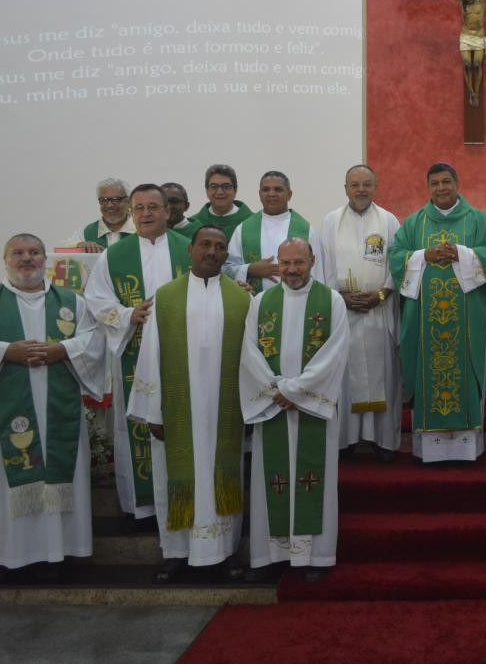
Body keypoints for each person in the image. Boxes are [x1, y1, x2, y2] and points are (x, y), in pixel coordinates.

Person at [0, 234, 106, 586]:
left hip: (57, 414)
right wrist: (6, 352)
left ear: (45, 259)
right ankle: (2, 558)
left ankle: (54, 556)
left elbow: (94, 340)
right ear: (5, 259)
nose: (27, 259)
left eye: (34, 252)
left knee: (55, 477)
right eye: (18, 253)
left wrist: (62, 349)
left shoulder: (70, 302)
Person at [128, 224, 251, 582]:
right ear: (191, 249)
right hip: (177, 411)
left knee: (224, 474)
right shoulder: (165, 297)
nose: (212, 251)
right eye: (205, 245)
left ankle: (226, 551)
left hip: (223, 409)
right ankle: (175, 552)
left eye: (220, 246)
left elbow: (250, 359)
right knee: (173, 480)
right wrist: (152, 411)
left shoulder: (242, 299)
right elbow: (150, 354)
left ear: (227, 255)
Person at [239, 238, 349, 582]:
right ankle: (270, 555)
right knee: (269, 480)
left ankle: (316, 556)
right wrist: (277, 391)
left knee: (314, 478)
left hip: (311, 406)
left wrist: (294, 390)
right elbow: (250, 353)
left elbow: (334, 354)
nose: (291, 270)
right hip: (273, 405)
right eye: (285, 264)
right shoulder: (260, 302)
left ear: (312, 261)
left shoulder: (331, 301)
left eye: (298, 263)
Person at [84, 184, 191, 528]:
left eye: (153, 207)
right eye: (139, 208)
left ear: (166, 211)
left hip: (183, 353)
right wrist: (129, 315)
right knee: (138, 426)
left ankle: (186, 497)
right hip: (134, 348)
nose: (146, 214)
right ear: (132, 213)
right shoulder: (113, 255)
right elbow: (96, 301)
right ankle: (142, 507)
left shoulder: (188, 248)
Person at [387, 163, 486, 462]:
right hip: (423, 320)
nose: (441, 188)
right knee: (427, 371)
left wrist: (463, 254)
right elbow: (396, 256)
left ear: (457, 183)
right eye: (435, 183)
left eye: (446, 182)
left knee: (464, 371)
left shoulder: (478, 220)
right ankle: (431, 451)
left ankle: (466, 449)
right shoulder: (414, 223)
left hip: (468, 319)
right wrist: (423, 255)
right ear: (428, 187)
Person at [313, 165, 402, 462]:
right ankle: (346, 440)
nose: (361, 189)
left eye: (367, 184)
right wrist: (338, 297)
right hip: (343, 312)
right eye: (355, 184)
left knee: (384, 373)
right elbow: (320, 265)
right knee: (345, 375)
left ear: (376, 187)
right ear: (346, 188)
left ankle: (383, 440)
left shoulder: (389, 221)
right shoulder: (330, 222)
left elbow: (398, 264)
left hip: (380, 310)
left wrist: (382, 293)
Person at [225, 170, 313, 294]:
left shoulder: (306, 230)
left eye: (278, 189)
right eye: (266, 189)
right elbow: (226, 269)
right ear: (260, 194)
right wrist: (250, 269)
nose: (271, 194)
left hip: (298, 300)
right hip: (254, 302)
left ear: (289, 194)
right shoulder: (243, 229)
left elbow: (316, 272)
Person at [66, 178, 134, 253]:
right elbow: (63, 248)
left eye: (116, 199)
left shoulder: (140, 230)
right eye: (104, 200)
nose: (109, 205)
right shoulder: (85, 232)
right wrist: (79, 245)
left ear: (128, 202)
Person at [191, 164, 254, 240]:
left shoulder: (252, 222)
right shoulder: (193, 224)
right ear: (207, 191)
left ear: (235, 190)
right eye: (214, 187)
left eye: (226, 186)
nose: (220, 192)